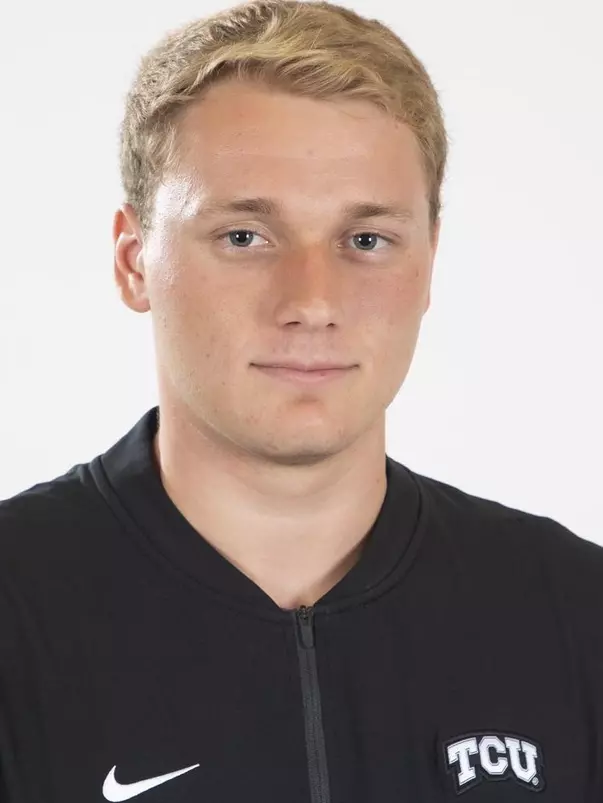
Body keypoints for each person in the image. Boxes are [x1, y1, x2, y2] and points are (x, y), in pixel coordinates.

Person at [0, 0, 601, 800]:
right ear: (134, 260)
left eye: (365, 240)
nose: (312, 301)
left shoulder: (573, 614)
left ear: (428, 263)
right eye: (244, 236)